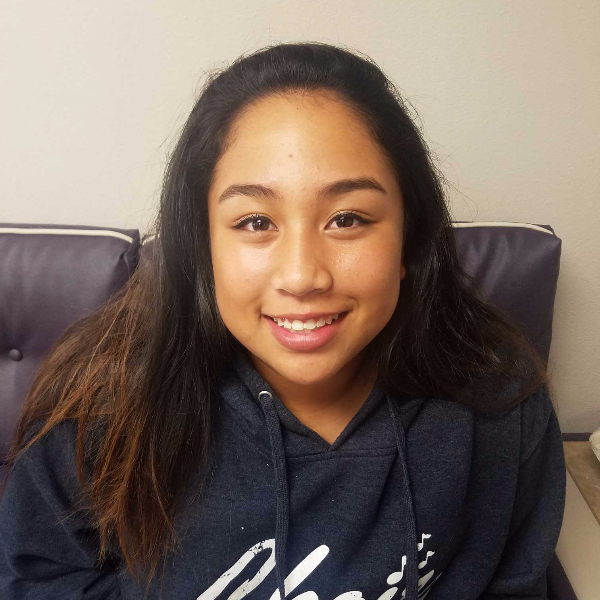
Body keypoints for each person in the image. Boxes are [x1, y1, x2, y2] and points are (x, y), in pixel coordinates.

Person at [0, 42, 565, 600]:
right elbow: (39, 580)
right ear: (203, 245)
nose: (301, 276)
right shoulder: (103, 410)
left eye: (347, 218)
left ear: (407, 237)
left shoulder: (500, 405)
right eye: (254, 222)